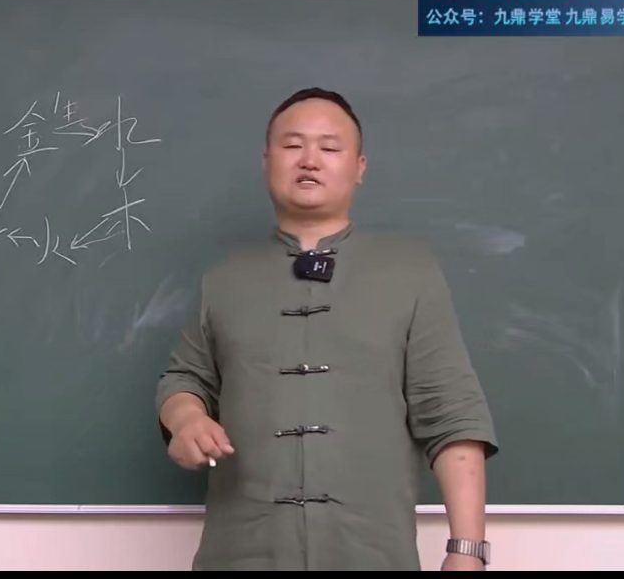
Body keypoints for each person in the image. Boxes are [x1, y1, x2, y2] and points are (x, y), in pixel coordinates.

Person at [155, 87, 499, 571]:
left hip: (371, 556)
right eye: (293, 145)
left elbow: (452, 415)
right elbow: (184, 378)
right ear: (267, 161)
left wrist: (467, 550)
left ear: (359, 167)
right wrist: (186, 418)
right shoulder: (224, 278)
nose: (309, 160)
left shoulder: (410, 273)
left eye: (330, 147)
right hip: (239, 555)